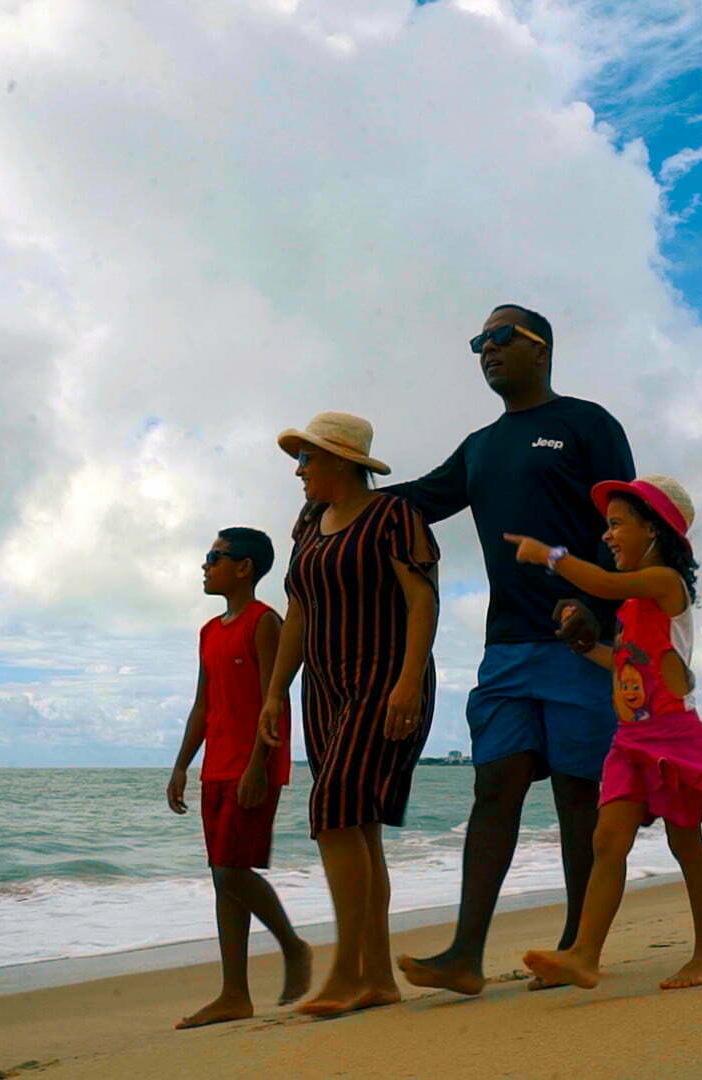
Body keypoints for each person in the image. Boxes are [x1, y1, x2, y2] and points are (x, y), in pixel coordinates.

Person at [387, 305, 635, 996]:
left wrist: (601, 607)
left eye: (500, 338)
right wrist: (347, 498)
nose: (486, 351)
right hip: (506, 649)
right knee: (493, 786)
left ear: (540, 347)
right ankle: (465, 955)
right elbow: (418, 501)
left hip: (583, 644)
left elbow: (625, 520)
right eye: (478, 343)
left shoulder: (586, 424)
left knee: (577, 793)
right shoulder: (479, 447)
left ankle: (576, 946)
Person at [504, 475, 702, 991]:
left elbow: (602, 585)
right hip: (629, 741)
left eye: (617, 524)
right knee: (607, 841)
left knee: (685, 842)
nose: (607, 536)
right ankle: (584, 954)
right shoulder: (631, 609)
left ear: (653, 529)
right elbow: (626, 664)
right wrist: (586, 648)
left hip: (673, 738)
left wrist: (551, 555)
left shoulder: (664, 583)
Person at [258, 412, 440, 1017]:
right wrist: (275, 692)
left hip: (386, 678)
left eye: (307, 459)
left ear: (341, 461)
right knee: (357, 824)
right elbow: (299, 610)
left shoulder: (394, 516)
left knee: (333, 809)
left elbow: (422, 598)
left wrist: (410, 682)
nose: (299, 470)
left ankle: (343, 972)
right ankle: (377, 980)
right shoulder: (309, 524)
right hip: (325, 686)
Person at [165, 527, 311, 1028]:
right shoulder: (209, 630)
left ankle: (294, 947)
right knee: (222, 879)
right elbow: (203, 705)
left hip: (253, 767)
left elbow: (277, 697)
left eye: (214, 557)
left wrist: (258, 766)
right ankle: (234, 993)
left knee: (232, 871)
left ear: (244, 567)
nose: (205, 566)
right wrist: (182, 764)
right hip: (215, 769)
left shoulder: (264, 622)